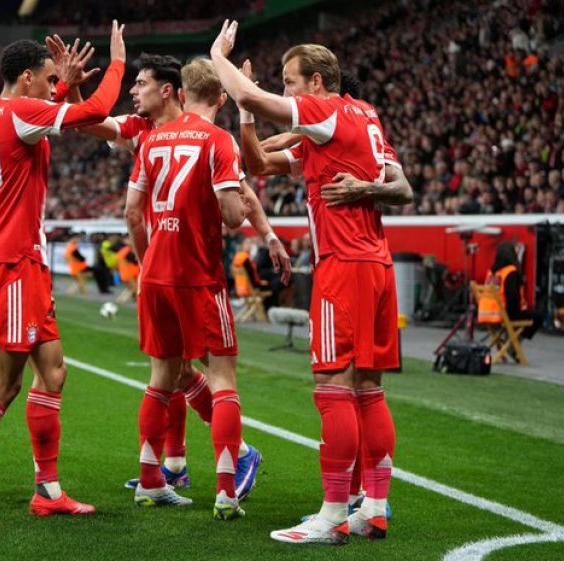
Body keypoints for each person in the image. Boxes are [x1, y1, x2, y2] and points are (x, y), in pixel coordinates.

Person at [48, 46, 287, 497]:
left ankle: (200, 460)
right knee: (180, 373)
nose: (133, 93)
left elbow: (239, 192)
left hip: (178, 267)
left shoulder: (160, 137)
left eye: (140, 84)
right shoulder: (145, 128)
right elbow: (87, 121)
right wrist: (75, 89)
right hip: (173, 266)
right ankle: (180, 464)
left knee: (180, 372)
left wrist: (267, 233)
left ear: (170, 91)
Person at [210, 21, 413, 543]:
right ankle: (374, 508)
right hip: (377, 266)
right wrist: (248, 122)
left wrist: (219, 56)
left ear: (317, 83)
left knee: (332, 389)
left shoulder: (326, 113)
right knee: (369, 390)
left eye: (291, 81)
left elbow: (249, 94)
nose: (287, 91)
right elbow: (259, 163)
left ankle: (332, 515)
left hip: (342, 268)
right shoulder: (363, 118)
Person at [0, 22, 127, 528]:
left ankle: (47, 491)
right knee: (3, 382)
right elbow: (95, 111)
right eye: (48, 78)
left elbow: (39, 120)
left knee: (53, 371)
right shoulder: (20, 113)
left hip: (17, 259)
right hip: (11, 261)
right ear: (27, 78)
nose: (53, 84)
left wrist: (62, 86)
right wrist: (118, 62)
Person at [124, 57, 251, 519]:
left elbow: (132, 213)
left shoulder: (151, 139)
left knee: (161, 379)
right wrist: (241, 202)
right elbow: (233, 216)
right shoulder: (219, 140)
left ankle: (152, 480)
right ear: (222, 99)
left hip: (156, 273)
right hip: (199, 276)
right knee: (223, 379)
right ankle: (226, 492)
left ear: (179, 92)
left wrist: (146, 263)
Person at [478, 241, 542, 339]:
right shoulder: (510, 271)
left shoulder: (492, 272)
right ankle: (516, 338)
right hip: (503, 314)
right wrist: (519, 310)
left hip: (487, 314)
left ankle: (513, 338)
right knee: (538, 316)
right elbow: (512, 296)